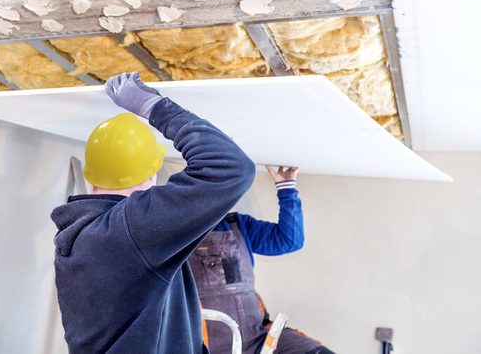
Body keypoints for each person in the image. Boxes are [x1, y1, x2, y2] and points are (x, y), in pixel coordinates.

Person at [51, 72, 255, 353]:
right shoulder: (130, 232)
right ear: (152, 171)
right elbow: (230, 168)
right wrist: (153, 106)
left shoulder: (83, 234)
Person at [190, 166, 334, 354]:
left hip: (259, 339)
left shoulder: (238, 224)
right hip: (211, 347)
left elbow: (289, 240)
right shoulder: (174, 234)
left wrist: (286, 186)